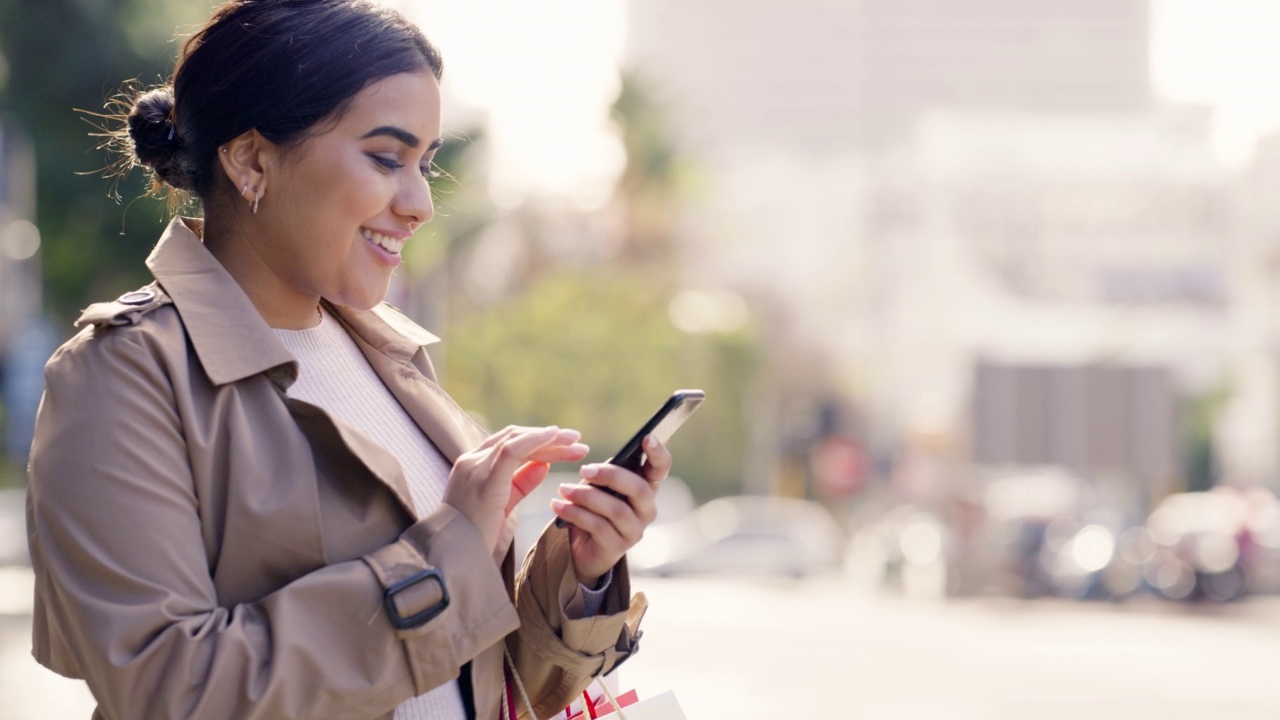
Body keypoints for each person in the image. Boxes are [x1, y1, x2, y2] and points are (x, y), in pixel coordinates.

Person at [23, 1, 666, 718]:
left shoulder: (391, 356)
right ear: (250, 159)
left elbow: (463, 673)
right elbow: (171, 690)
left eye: (426, 163)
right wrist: (448, 550)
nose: (421, 202)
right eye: (387, 158)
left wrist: (576, 573)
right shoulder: (123, 377)